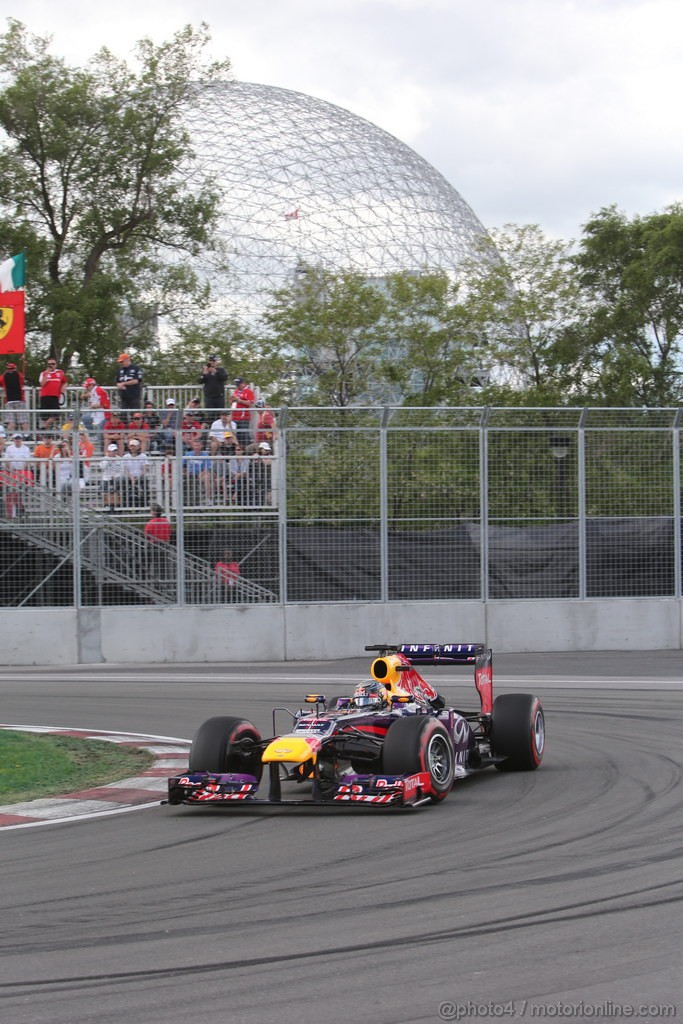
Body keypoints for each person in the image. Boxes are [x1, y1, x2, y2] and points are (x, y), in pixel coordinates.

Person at [82, 377, 111, 451]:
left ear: (91, 385)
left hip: (103, 415)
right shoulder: (93, 391)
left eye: (87, 386)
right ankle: (93, 434)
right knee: (85, 418)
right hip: (96, 414)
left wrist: (93, 406)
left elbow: (104, 404)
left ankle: (102, 451)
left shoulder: (99, 390)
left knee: (100, 433)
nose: (87, 388)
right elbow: (83, 396)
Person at [0, 362, 29, 433]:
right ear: (15, 368)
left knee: (11, 421)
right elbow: (22, 382)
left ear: (7, 369)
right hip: (20, 400)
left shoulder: (4, 376)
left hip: (9, 401)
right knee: (23, 421)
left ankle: (11, 436)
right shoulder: (19, 375)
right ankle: (26, 435)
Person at [38, 357, 68, 423]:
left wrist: (63, 387)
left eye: (53, 364)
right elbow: (42, 384)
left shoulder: (60, 372)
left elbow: (65, 382)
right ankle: (46, 431)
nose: (51, 365)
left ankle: (44, 427)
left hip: (55, 396)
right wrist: (47, 373)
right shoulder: (43, 373)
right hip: (45, 396)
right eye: (49, 364)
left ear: (56, 365)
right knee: (45, 416)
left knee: (56, 414)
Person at [121, 437, 149, 506]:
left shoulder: (143, 456)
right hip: (129, 476)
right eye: (131, 446)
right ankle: (125, 503)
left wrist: (138, 477)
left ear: (138, 447)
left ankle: (144, 502)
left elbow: (145, 469)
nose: (133, 448)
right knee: (123, 481)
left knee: (144, 480)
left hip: (140, 476)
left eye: (134, 446)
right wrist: (131, 477)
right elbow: (125, 470)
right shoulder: (125, 457)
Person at [230, 377, 255, 447]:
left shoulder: (248, 391)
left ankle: (248, 450)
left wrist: (239, 400)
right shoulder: (236, 391)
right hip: (235, 417)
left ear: (243, 384)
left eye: (239, 384)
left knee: (244, 436)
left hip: (243, 418)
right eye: (236, 385)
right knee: (236, 436)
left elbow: (250, 403)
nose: (237, 386)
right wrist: (232, 400)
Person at [100, 443, 123, 511]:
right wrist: (107, 459)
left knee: (119, 484)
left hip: (117, 478)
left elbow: (122, 471)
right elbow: (102, 468)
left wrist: (115, 476)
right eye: (112, 451)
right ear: (109, 451)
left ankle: (118, 505)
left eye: (115, 450)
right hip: (106, 478)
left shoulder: (119, 459)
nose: (113, 452)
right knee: (103, 488)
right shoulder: (104, 459)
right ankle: (106, 505)